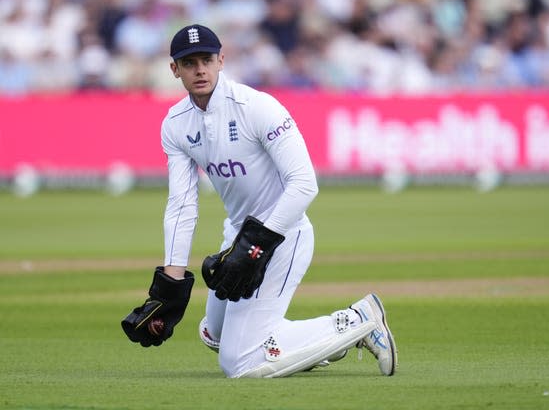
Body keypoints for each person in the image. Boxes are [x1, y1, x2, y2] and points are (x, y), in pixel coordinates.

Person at [121, 24, 397, 378]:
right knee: (213, 333)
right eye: (189, 63)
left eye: (206, 59)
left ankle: (360, 319)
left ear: (222, 60)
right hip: (239, 240)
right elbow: (181, 204)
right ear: (175, 69)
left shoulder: (258, 107)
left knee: (239, 364)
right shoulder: (175, 124)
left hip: (285, 235)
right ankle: (305, 346)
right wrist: (171, 282)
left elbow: (304, 184)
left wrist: (257, 245)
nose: (200, 70)